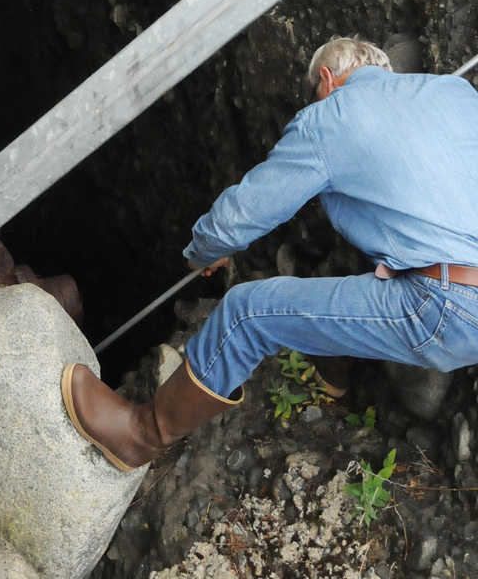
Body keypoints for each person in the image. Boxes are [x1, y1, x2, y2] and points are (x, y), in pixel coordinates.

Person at [61, 36, 478, 471]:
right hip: (459, 287)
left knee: (246, 313)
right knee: (371, 253)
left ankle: (141, 435)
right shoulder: (453, 92)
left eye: (314, 94)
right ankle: (334, 369)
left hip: (449, 306)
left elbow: (244, 212)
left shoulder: (329, 117)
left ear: (327, 79)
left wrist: (206, 250)